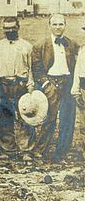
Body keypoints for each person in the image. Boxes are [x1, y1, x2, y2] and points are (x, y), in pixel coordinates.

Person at [30, 14, 77, 163]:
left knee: (67, 120)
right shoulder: (40, 45)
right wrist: (46, 85)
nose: (58, 27)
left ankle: (60, 154)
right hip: (50, 83)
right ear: (49, 26)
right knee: (49, 119)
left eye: (61, 24)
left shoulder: (72, 44)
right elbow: (36, 69)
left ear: (65, 25)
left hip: (67, 83)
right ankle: (40, 152)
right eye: (55, 24)